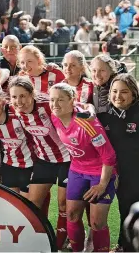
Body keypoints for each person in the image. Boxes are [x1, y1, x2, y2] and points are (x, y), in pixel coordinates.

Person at [49, 83, 117, 253]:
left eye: (61, 100)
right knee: (71, 214)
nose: (55, 104)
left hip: (100, 173)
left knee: (96, 222)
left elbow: (109, 156)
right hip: (77, 171)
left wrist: (102, 185)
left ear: (72, 101)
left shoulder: (87, 122)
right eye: (52, 100)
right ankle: (77, 250)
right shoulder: (55, 115)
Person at [8, 76, 71, 250]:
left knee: (63, 203)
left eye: (23, 96)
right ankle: (39, 237)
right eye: (14, 97)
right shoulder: (13, 110)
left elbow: (73, 110)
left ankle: (62, 240)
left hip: (67, 159)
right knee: (33, 203)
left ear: (32, 94)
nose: (18, 101)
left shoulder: (46, 104)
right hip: (44, 160)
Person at [98, 74, 139, 252]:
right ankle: (125, 244)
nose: (118, 96)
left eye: (124, 92)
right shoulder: (104, 115)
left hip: (135, 172)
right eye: (114, 91)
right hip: (118, 173)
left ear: (134, 94)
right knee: (125, 209)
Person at [0, 85, 34, 194]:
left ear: (3, 101)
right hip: (9, 165)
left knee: (27, 205)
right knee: (12, 202)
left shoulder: (17, 115)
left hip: (29, 165)